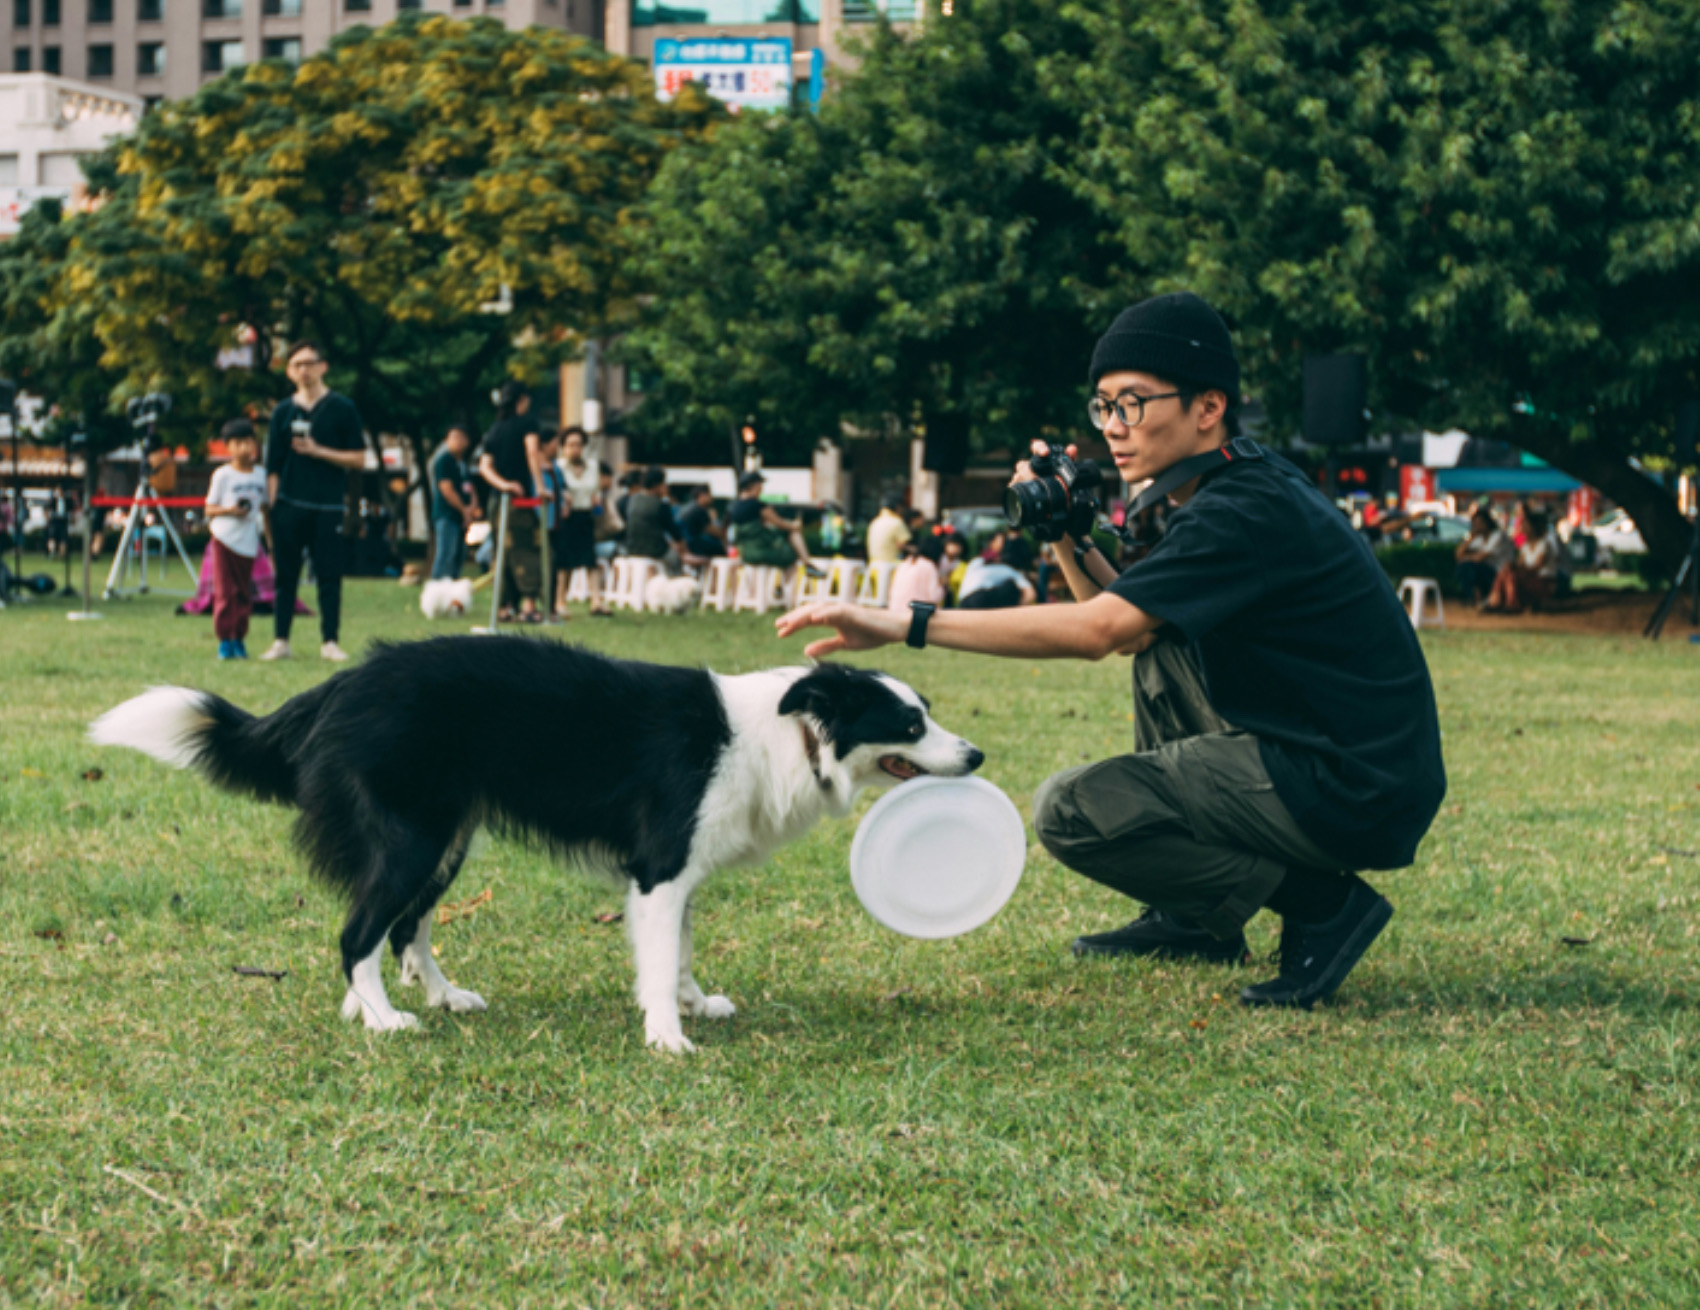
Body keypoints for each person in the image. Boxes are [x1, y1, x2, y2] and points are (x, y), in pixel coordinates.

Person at [777, 291, 1446, 1010]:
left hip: (1349, 784)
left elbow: (1100, 632)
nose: (1114, 428)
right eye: (1103, 406)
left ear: (1208, 407)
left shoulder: (1242, 509)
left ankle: (1322, 906)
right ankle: (1196, 918)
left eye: (1133, 404)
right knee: (1160, 645)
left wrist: (903, 621)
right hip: (1336, 755)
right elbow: (1129, 621)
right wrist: (1063, 529)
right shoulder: (1226, 484)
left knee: (1071, 809)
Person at [260, 340, 367, 662]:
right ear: (290, 372)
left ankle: (330, 641)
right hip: (290, 505)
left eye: (309, 363)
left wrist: (319, 451)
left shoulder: (343, 409)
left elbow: (360, 458)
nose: (303, 370)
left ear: (323, 366)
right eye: (296, 365)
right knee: (285, 577)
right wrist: (274, 505)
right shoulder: (282, 411)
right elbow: (273, 465)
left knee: (329, 577)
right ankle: (281, 641)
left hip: (328, 506)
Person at [477, 381, 546, 623]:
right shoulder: (528, 423)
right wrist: (540, 486)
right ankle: (528, 605)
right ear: (522, 400)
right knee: (525, 547)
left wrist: (501, 484)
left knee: (501, 552)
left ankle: (504, 606)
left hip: (497, 501)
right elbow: (532, 452)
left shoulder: (495, 429)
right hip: (519, 502)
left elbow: (484, 466)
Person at [203, 418, 268, 660]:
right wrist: (231, 510)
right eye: (237, 442)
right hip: (224, 538)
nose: (244, 447)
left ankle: (239, 637)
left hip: (248, 542)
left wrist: (269, 540)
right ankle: (225, 640)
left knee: (243, 592)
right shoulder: (223, 475)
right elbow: (209, 508)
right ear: (228, 446)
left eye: (248, 441)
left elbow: (265, 510)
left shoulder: (261, 475)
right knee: (224, 592)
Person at [551, 426, 609, 616]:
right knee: (563, 563)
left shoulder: (592, 466)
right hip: (567, 517)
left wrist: (598, 502)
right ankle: (560, 602)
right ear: (563, 447)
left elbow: (597, 490)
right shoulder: (558, 466)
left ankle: (596, 601)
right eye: (570, 445)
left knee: (590, 560)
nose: (575, 449)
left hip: (586, 515)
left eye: (578, 444)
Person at [726, 471, 823, 573]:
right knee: (790, 554)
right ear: (754, 485)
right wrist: (795, 525)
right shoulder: (758, 505)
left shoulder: (733, 507)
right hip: (762, 551)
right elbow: (779, 523)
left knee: (785, 552)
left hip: (745, 553)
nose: (761, 488)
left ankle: (782, 585)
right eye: (760, 484)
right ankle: (807, 565)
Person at [1484, 508, 1562, 613]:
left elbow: (1536, 568)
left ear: (1533, 527)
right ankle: (1499, 601)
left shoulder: (1544, 544)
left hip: (1544, 581)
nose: (1522, 528)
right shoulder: (1525, 546)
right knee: (1506, 572)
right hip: (1530, 579)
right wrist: (1511, 567)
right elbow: (1520, 565)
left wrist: (1514, 569)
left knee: (1511, 575)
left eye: (1525, 525)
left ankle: (1506, 603)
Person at [429, 424, 479, 581]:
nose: (458, 441)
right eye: (453, 437)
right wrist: (463, 509)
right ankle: (436, 588)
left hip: (461, 517)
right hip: (447, 515)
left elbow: (470, 488)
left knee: (458, 555)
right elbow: (446, 489)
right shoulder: (444, 461)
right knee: (446, 553)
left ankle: (451, 589)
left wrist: (472, 507)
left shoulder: (463, 464)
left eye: (461, 437)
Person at [1454, 506, 1513, 606]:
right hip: (1487, 572)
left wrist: (1465, 559)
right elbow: (1458, 554)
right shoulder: (1479, 539)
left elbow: (1480, 558)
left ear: (1488, 523)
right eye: (1475, 524)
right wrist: (1470, 538)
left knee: (1468, 567)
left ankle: (1477, 596)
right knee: (1463, 568)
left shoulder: (1497, 536)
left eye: (1480, 523)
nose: (1477, 526)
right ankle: (1475, 596)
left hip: (1500, 572)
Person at [957, 542, 1038, 609]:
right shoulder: (1007, 569)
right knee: (1010, 586)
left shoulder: (975, 562)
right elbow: (1031, 593)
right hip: (979, 599)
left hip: (963, 603)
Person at [888, 533, 947, 612]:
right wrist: (942, 585)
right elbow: (934, 596)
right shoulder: (929, 566)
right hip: (916, 614)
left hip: (895, 610)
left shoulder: (905, 563)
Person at [678, 486, 726, 559]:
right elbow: (716, 533)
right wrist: (714, 519)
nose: (711, 498)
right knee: (720, 550)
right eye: (709, 495)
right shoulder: (699, 510)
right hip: (693, 546)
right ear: (702, 495)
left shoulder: (686, 507)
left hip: (684, 544)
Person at [866, 494, 912, 564]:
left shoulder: (875, 522)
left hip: (874, 565)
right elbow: (902, 545)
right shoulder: (897, 522)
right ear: (898, 507)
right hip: (891, 565)